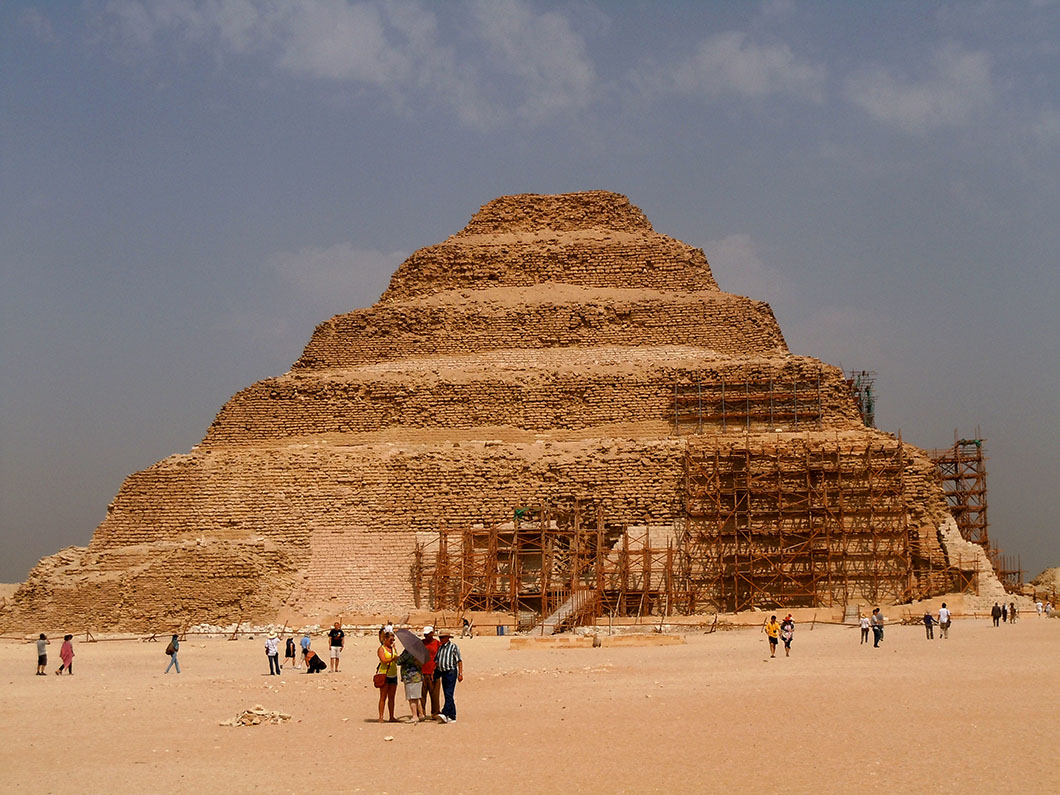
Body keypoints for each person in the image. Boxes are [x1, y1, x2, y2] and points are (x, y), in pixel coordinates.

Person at [435, 630, 463, 723]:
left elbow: (459, 660)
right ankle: (452, 715)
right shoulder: (440, 648)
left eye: (442, 637)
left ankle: (445, 712)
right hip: (443, 673)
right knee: (448, 694)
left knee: (449, 693)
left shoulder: (453, 647)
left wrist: (460, 673)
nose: (440, 639)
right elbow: (437, 660)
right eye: (440, 637)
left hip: (451, 672)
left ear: (447, 638)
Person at [396, 646, 424, 723]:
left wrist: (397, 656)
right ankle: (421, 714)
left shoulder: (408, 652)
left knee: (411, 698)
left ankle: (415, 716)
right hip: (418, 676)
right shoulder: (419, 651)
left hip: (410, 677)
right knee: (417, 697)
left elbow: (399, 662)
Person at [376, 631, 399, 723]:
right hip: (384, 674)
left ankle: (391, 716)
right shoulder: (381, 649)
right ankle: (381, 716)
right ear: (385, 639)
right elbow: (384, 660)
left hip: (393, 674)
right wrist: (393, 659)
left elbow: (396, 660)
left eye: (393, 640)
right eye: (391, 639)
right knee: (383, 697)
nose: (392, 641)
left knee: (392, 697)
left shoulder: (393, 649)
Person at [420, 626, 441, 720]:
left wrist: (436, 669)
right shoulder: (421, 643)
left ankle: (435, 712)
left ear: (432, 633)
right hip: (422, 671)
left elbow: (440, 657)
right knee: (421, 695)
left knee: (435, 694)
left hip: (434, 672)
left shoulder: (437, 643)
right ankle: (421, 712)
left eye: (428, 634)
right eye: (425, 634)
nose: (426, 635)